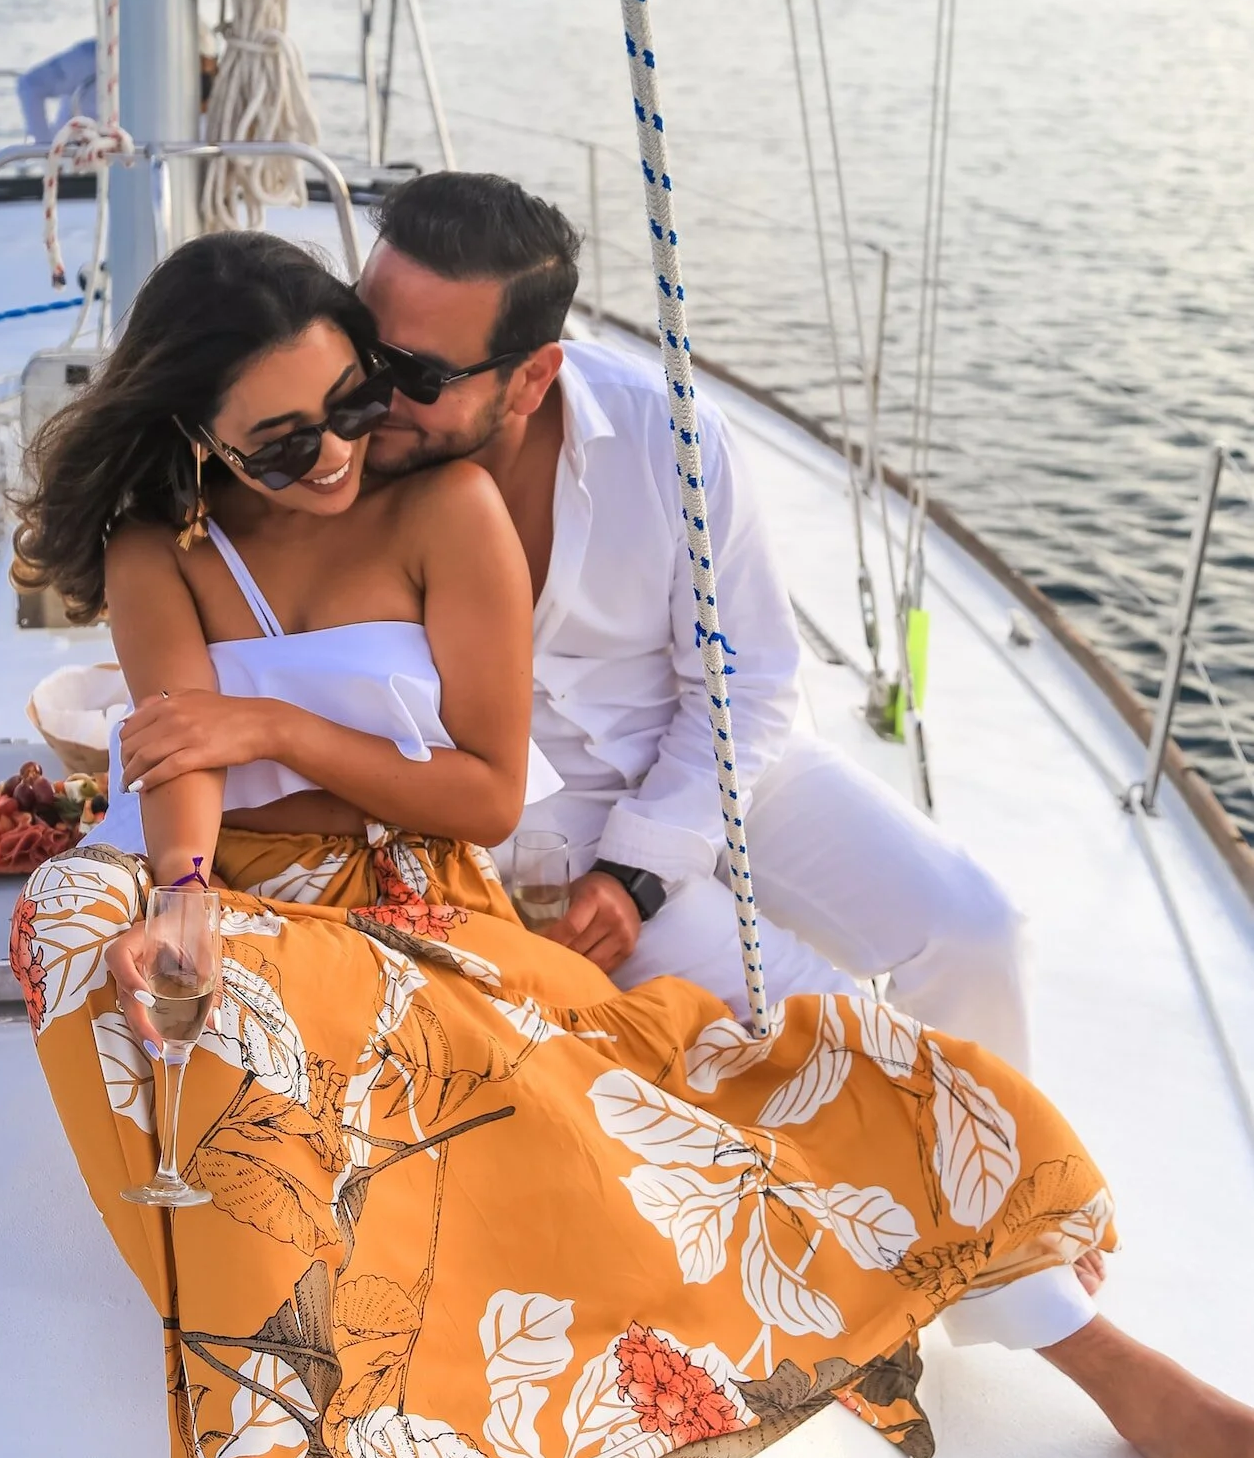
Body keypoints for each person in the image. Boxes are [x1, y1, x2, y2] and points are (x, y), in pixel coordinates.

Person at [8, 228, 1251, 1458]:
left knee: (432, 1076)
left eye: (351, 404)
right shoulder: (156, 543)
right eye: (283, 438)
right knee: (90, 927)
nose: (333, 455)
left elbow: (478, 788)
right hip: (241, 892)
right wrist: (179, 884)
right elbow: (172, 750)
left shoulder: (437, 502)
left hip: (415, 894)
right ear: (195, 433)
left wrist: (271, 719)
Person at [357, 172, 1032, 1065]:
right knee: (842, 1041)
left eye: (418, 374)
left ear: (530, 381)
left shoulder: (668, 433)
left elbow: (746, 679)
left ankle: (1019, 1198)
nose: (372, 391)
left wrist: (643, 868)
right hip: (549, 832)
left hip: (724, 768)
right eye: (363, 343)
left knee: (978, 931)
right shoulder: (340, 462)